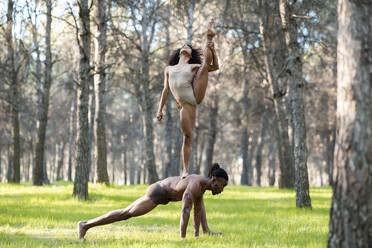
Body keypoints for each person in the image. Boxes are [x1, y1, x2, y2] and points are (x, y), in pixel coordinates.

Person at [77, 163, 228, 239]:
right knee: (126, 213)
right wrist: (183, 239)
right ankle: (85, 225)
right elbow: (185, 211)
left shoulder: (202, 187)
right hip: (158, 192)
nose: (222, 190)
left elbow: (198, 210)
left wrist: (197, 234)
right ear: (214, 180)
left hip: (164, 195)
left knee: (200, 205)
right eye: (223, 186)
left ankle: (206, 232)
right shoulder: (195, 185)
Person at [156, 19, 219, 178]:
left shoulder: (192, 66)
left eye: (189, 48)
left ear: (190, 55)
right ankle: (185, 170)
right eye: (184, 46)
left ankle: (209, 38)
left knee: (204, 65)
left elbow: (214, 67)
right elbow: (166, 90)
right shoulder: (168, 69)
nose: (186, 47)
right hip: (184, 104)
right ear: (179, 52)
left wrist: (214, 51)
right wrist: (160, 109)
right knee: (187, 136)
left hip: (194, 96)